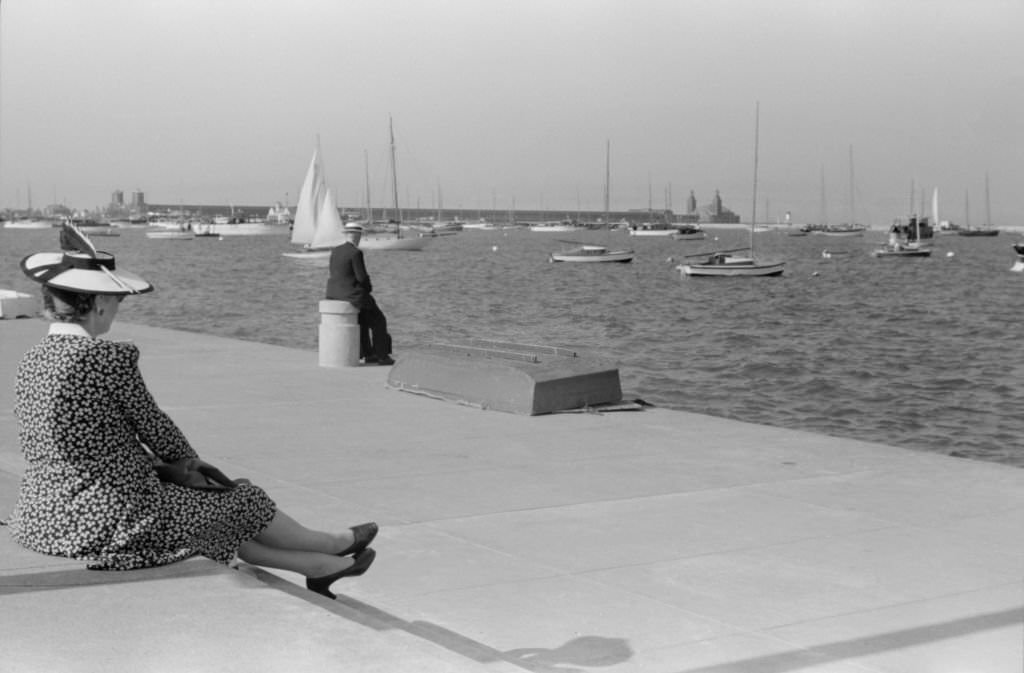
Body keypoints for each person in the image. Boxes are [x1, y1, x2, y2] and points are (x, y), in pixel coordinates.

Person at [9, 227, 376, 600]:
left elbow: (84, 440)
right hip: (105, 520)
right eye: (117, 300)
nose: (118, 309)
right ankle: (330, 544)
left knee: (218, 510)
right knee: (240, 498)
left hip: (45, 517)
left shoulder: (33, 359)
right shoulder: (105, 357)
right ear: (99, 302)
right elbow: (155, 427)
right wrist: (191, 463)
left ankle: (322, 568)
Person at [325, 223, 394, 365]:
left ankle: (368, 354)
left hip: (333, 293)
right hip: (352, 294)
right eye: (360, 234)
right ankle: (382, 355)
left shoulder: (336, 251)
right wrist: (368, 288)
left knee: (362, 319)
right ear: (358, 235)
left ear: (346, 234)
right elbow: (361, 277)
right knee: (379, 320)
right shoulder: (355, 253)